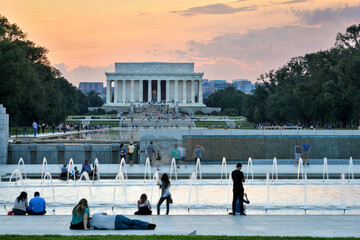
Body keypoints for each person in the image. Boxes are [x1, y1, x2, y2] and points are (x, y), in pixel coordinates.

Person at [90, 212, 156, 230]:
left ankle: (146, 227)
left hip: (115, 226)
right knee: (132, 222)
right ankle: (147, 224)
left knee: (131, 227)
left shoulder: (92, 226)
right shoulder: (95, 215)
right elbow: (105, 213)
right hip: (116, 217)